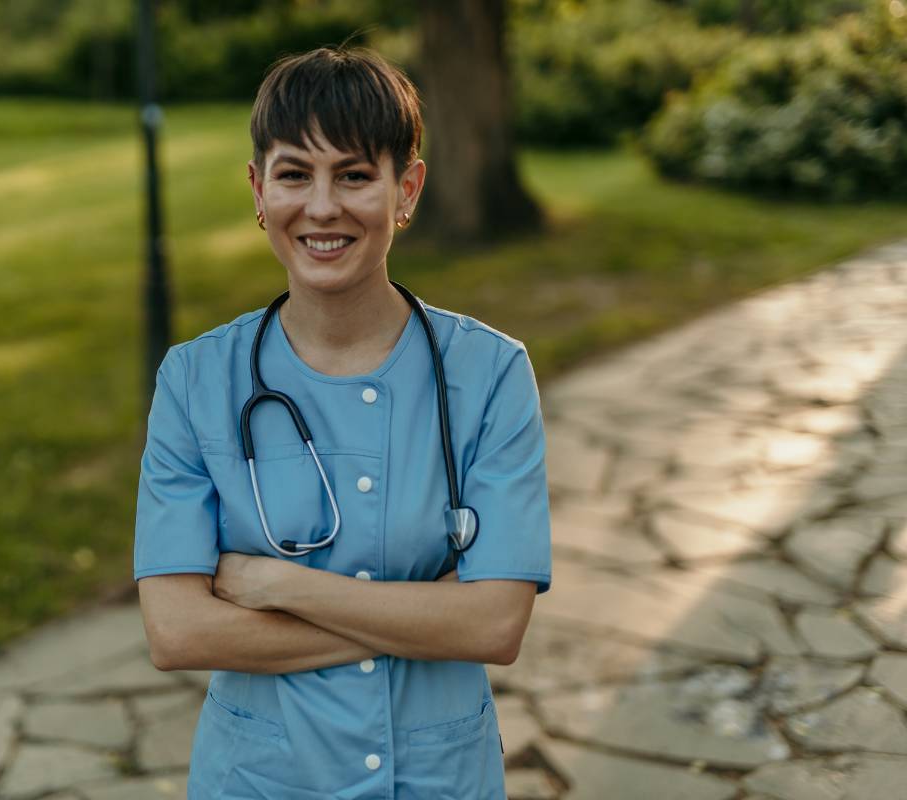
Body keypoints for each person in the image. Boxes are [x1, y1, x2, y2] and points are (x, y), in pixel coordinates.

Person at [134, 46, 552, 799]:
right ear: (259, 190)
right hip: (262, 781)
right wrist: (427, 614)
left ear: (406, 190)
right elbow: (178, 632)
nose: (322, 207)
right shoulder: (195, 381)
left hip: (438, 780)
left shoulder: (490, 374)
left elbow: (494, 627)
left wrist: (275, 584)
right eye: (295, 174)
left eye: (355, 175)